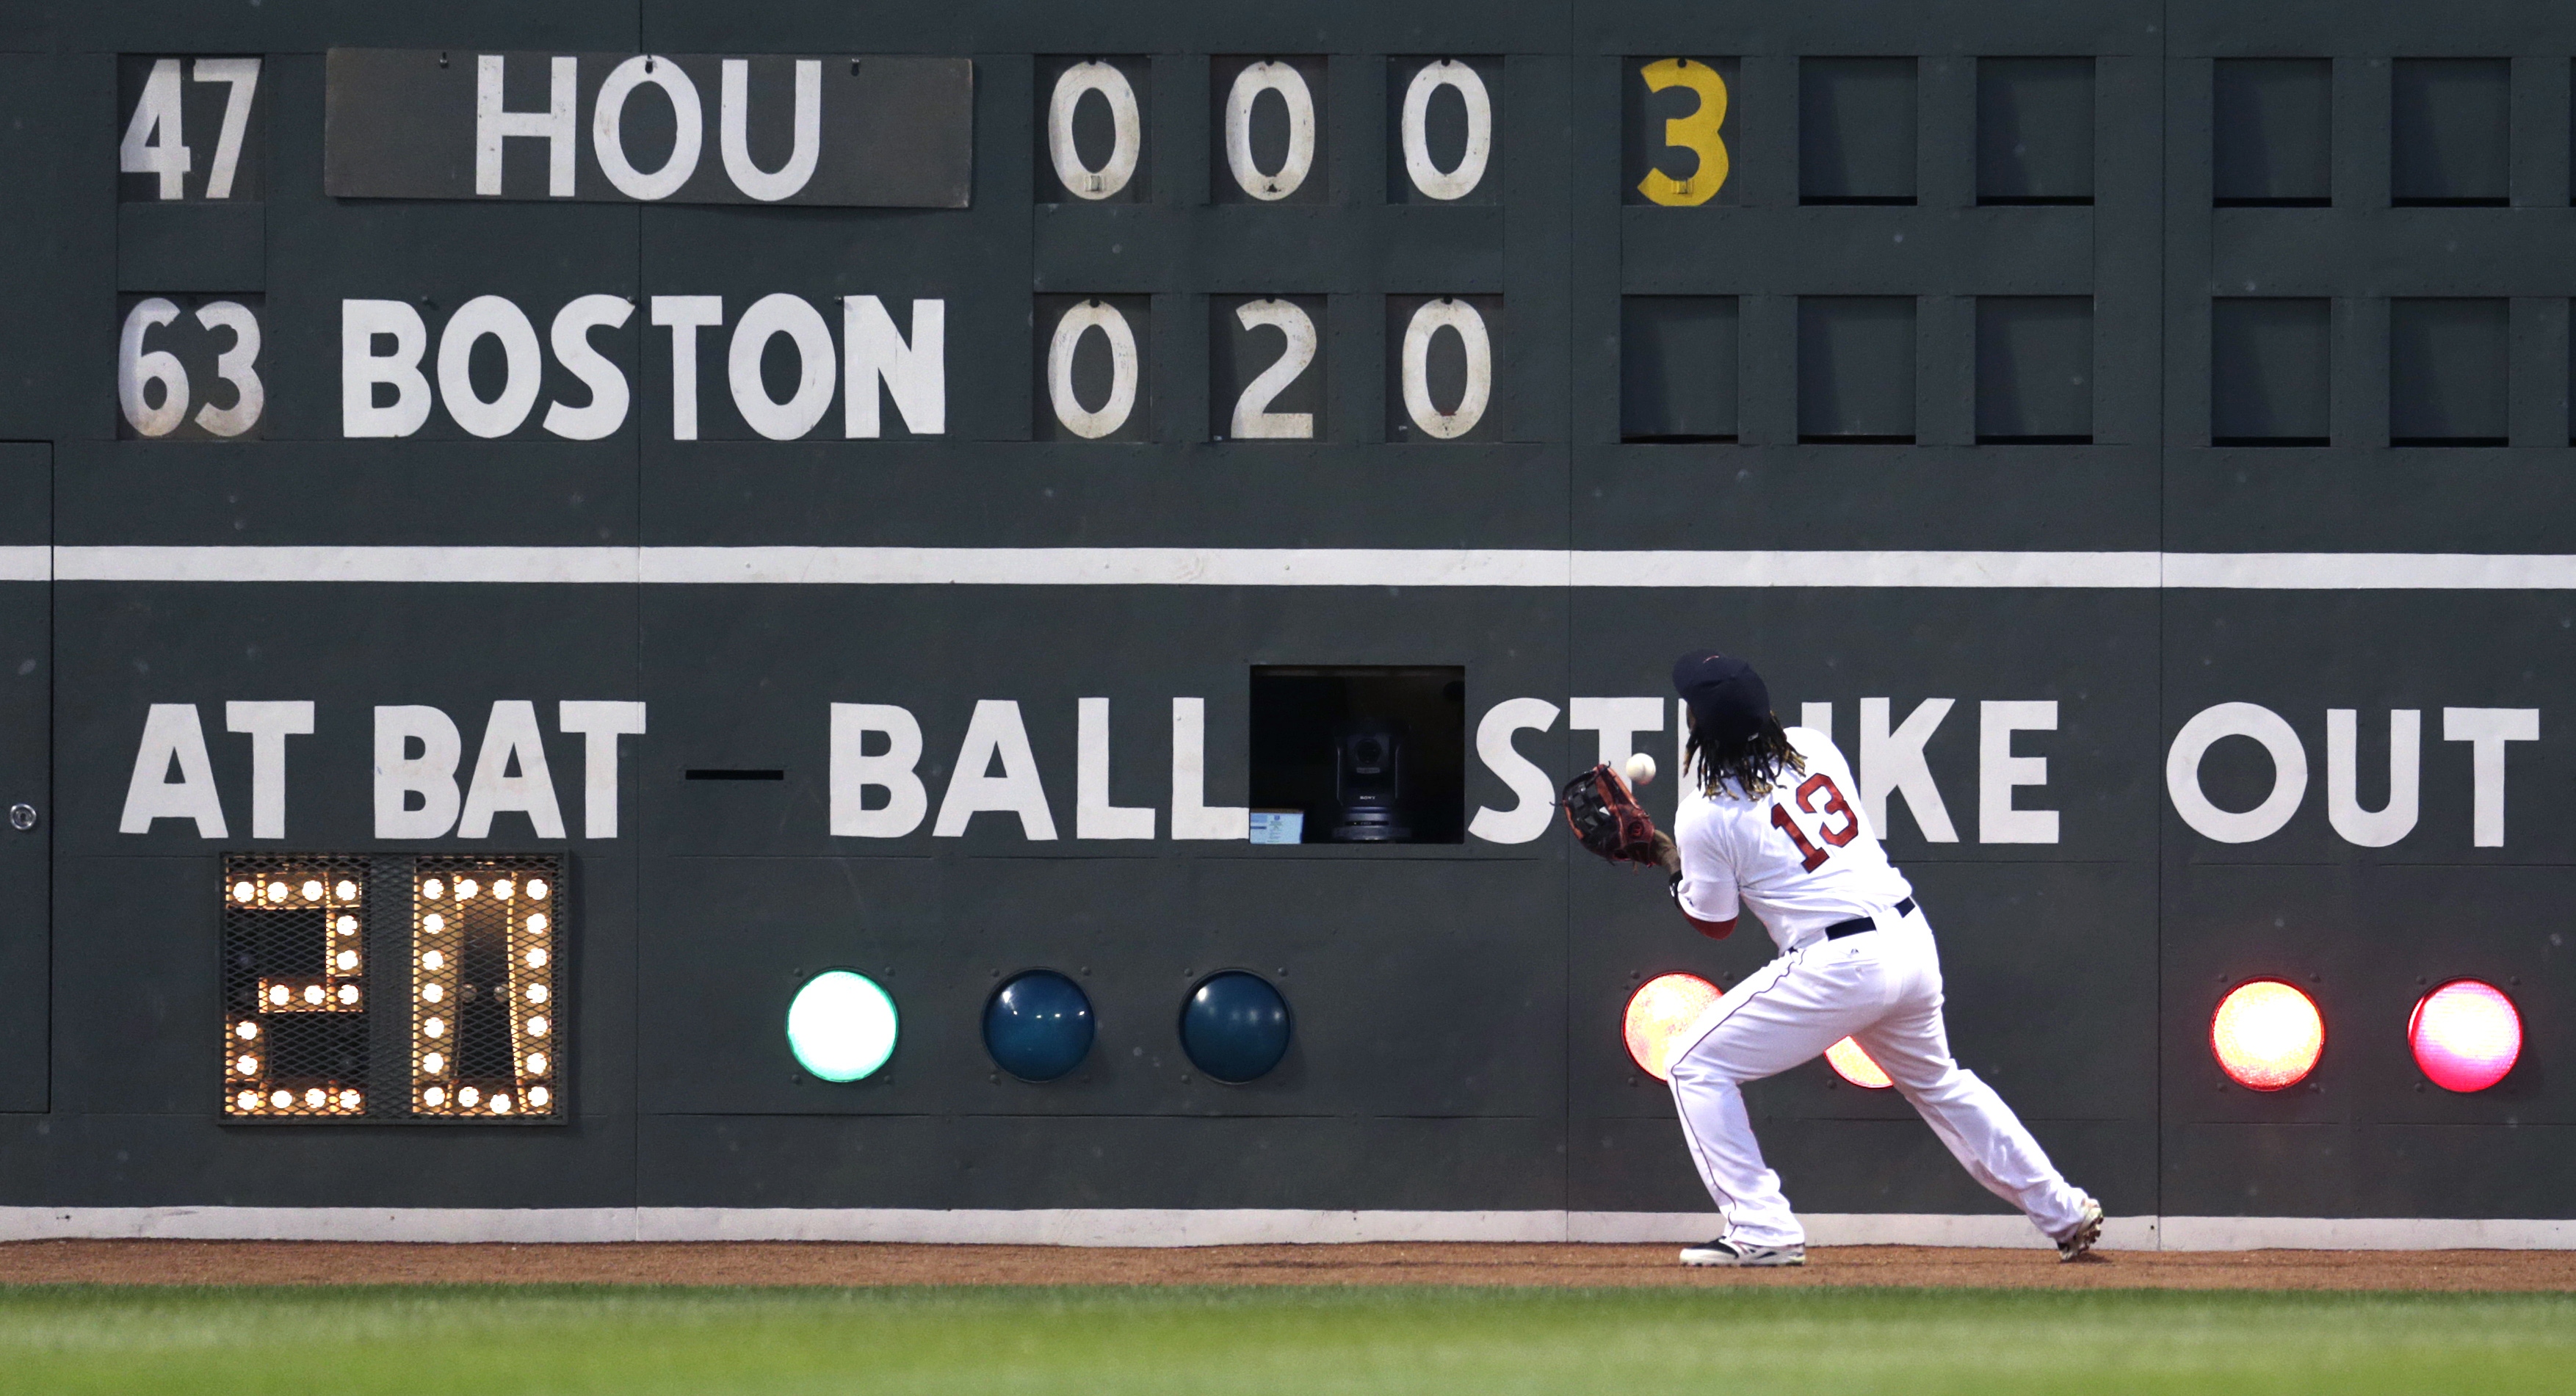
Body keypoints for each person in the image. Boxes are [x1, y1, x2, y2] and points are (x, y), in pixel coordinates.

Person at [1648, 649, 2102, 1267]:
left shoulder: (1704, 813)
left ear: (1700, 726)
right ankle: (2064, 1209)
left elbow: (1715, 921)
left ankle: (1761, 1227)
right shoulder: (1814, 747)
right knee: (1943, 1084)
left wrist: (1659, 854)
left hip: (1840, 961)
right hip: (1910, 937)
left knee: (1691, 1064)